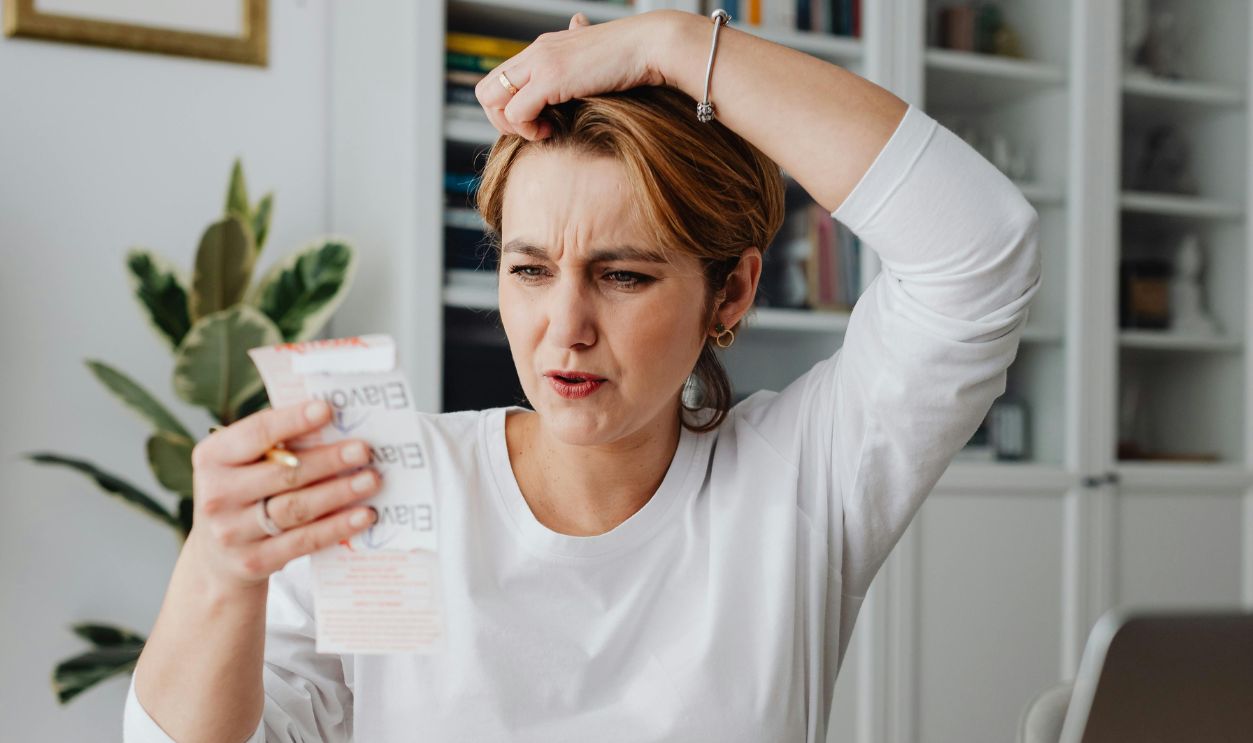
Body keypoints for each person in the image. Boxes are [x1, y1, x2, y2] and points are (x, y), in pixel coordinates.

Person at [125, 8, 1040, 742]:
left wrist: (670, 41)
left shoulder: (800, 481)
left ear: (732, 291)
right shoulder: (389, 492)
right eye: (528, 270)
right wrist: (218, 567)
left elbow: (979, 249)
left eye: (623, 274)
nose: (564, 328)